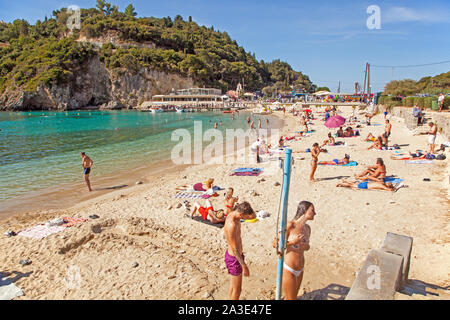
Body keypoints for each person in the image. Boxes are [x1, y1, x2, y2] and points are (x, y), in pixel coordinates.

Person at [272, 201, 316, 300]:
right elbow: (275, 244)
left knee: (293, 297)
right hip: (289, 268)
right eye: (312, 210)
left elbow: (307, 247)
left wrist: (306, 246)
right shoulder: (290, 225)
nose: (315, 213)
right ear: (304, 210)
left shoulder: (307, 228)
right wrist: (293, 242)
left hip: (300, 268)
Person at [224, 202, 256, 300]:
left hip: (236, 256)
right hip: (234, 258)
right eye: (245, 217)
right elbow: (234, 249)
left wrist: (249, 209)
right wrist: (244, 265)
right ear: (241, 215)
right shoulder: (232, 225)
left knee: (233, 287)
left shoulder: (236, 214)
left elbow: (253, 216)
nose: (247, 219)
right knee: (237, 290)